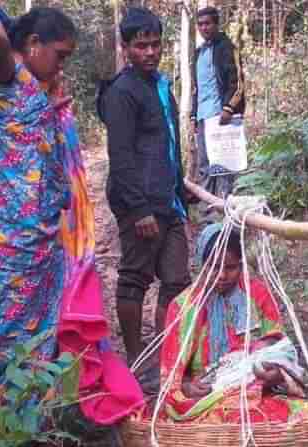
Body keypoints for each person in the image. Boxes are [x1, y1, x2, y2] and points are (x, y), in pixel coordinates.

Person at [0, 4, 77, 364]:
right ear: (33, 43)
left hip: (39, 241)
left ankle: (34, 419)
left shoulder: (29, 86)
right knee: (4, 345)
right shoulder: (5, 72)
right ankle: (2, 419)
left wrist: (46, 110)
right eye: (59, 55)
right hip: (10, 242)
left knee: (37, 344)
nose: (61, 66)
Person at [157, 224, 308, 423]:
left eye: (230, 267)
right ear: (202, 263)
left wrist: (273, 374)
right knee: (217, 421)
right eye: (213, 267)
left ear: (242, 264)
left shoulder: (257, 295)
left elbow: (278, 350)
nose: (221, 275)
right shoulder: (182, 306)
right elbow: (171, 373)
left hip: (254, 392)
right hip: (204, 397)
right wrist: (187, 386)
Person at [98, 8, 191, 367]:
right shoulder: (122, 92)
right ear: (125, 49)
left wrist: (180, 194)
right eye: (141, 46)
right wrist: (138, 209)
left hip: (168, 201)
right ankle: (137, 359)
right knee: (135, 278)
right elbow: (120, 156)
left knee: (177, 278)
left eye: (155, 45)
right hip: (140, 205)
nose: (150, 52)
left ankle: (165, 354)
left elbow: (169, 145)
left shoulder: (161, 86)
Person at [191, 6, 245, 199]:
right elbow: (197, 88)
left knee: (224, 166)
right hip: (203, 117)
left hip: (222, 115)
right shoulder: (198, 53)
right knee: (205, 166)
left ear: (216, 24)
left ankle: (225, 212)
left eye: (207, 23)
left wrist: (229, 108)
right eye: (200, 24)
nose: (204, 28)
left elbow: (237, 81)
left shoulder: (226, 47)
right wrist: (193, 115)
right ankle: (209, 214)